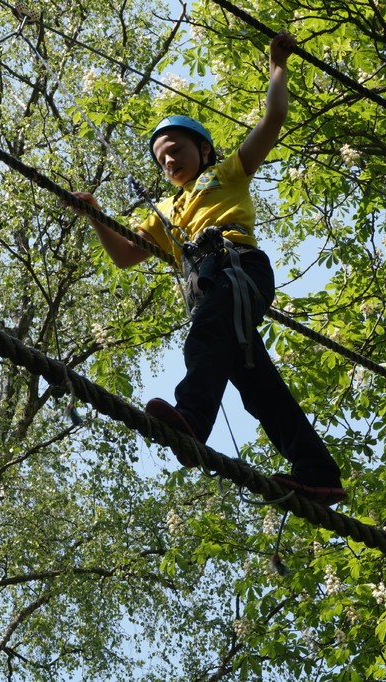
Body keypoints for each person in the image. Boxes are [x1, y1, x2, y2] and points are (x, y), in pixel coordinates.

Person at [71, 32, 346, 505]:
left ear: (203, 150)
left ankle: (193, 419)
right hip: (210, 289)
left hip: (238, 269)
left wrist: (278, 65)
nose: (169, 160)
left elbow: (273, 119)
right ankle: (317, 470)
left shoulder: (226, 174)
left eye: (176, 149)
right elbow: (125, 255)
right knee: (258, 387)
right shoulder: (164, 212)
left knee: (205, 336)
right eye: (161, 158)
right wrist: (95, 215)